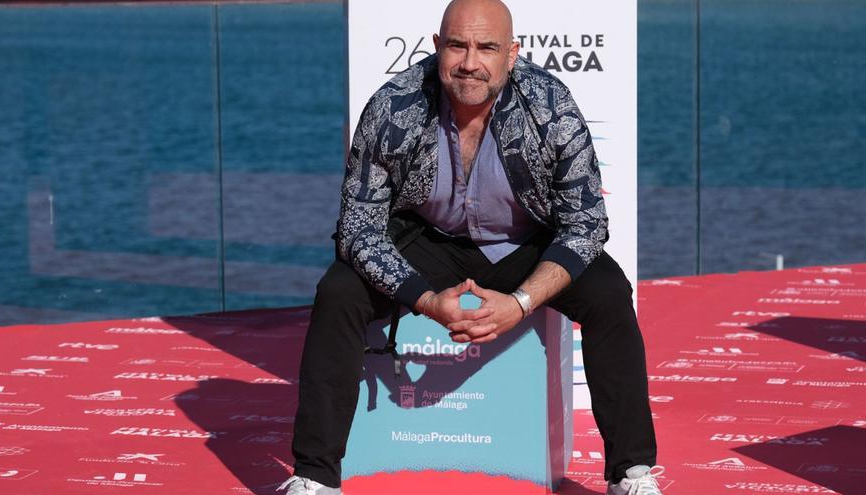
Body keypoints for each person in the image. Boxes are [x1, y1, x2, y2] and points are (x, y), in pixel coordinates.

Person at [278, 1, 663, 494]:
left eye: (487, 48)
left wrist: (521, 302)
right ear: (437, 47)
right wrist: (424, 298)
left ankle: (630, 473)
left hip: (523, 242)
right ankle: (314, 476)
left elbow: (586, 223)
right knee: (339, 290)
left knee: (609, 292)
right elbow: (358, 227)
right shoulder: (392, 106)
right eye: (457, 45)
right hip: (427, 241)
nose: (470, 62)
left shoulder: (550, 105)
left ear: (512, 54)